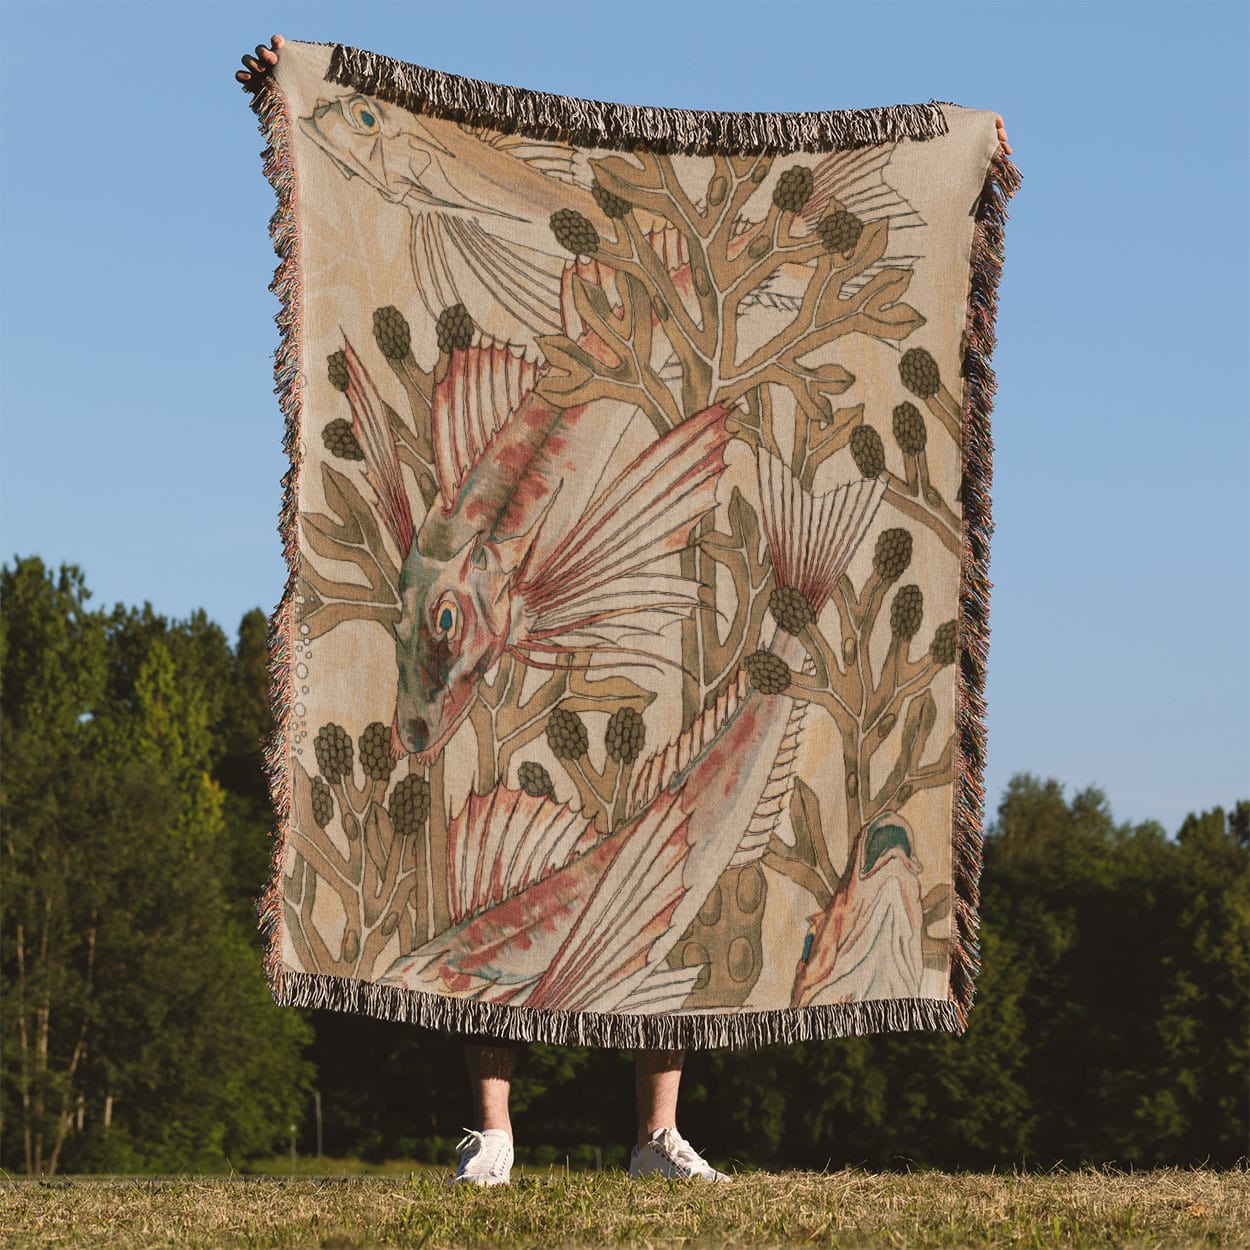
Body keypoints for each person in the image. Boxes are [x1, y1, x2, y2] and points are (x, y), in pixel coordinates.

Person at [236, 35, 1012, 1187]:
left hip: (626, 610)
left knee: (674, 892)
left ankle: (655, 1132)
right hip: (536, 649)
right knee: (476, 867)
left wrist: (960, 154)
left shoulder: (615, 376)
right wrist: (300, 75)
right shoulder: (535, 366)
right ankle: (492, 1129)